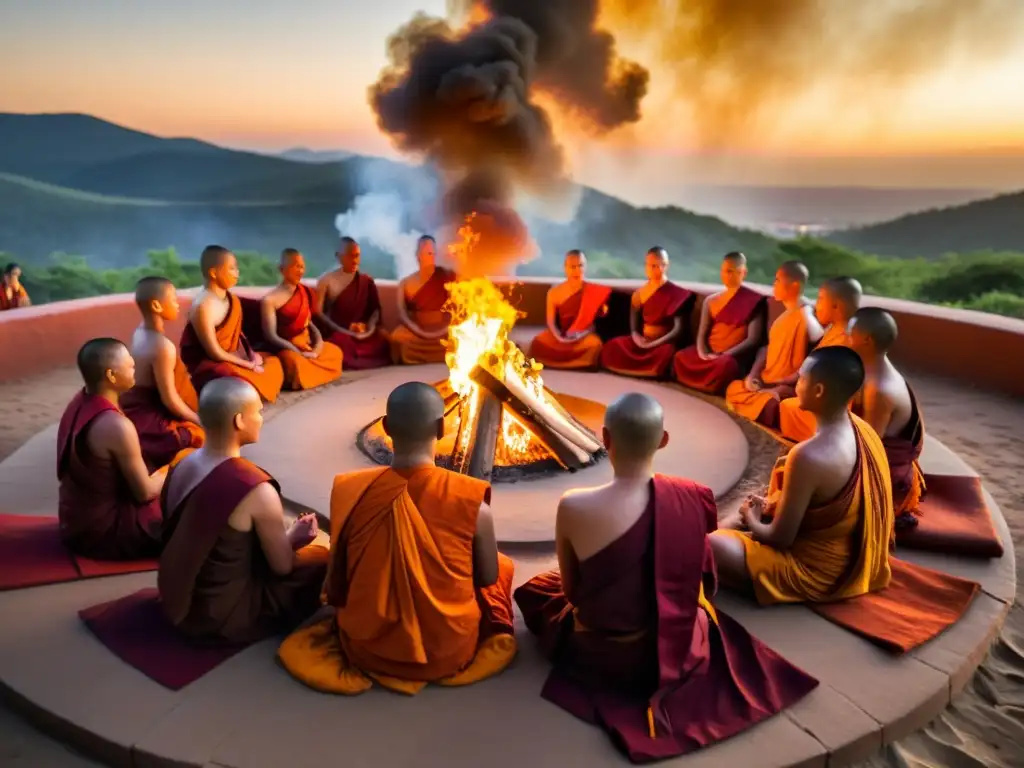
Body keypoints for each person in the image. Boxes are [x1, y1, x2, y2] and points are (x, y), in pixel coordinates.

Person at [514, 392, 818, 762]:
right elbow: (700, 574)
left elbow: (572, 592)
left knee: (538, 590)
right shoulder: (690, 496)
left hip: (603, 651)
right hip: (679, 643)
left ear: (605, 439)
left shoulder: (574, 505)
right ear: (663, 440)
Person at [278, 382, 516, 695]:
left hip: (366, 649)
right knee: (501, 566)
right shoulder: (471, 502)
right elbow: (486, 577)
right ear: (442, 427)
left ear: (387, 427)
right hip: (448, 653)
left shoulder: (350, 491)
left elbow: (342, 570)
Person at [710, 346, 894, 604]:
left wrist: (751, 518)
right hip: (850, 551)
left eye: (802, 379)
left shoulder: (808, 456)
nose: (796, 383)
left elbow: (779, 538)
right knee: (730, 523)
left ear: (818, 391)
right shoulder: (863, 430)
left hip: (816, 571)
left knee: (713, 544)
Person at [158, 378, 328, 644]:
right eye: (258, 411)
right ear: (238, 421)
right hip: (219, 614)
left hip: (175, 596)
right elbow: (282, 567)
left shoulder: (182, 464)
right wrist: (294, 537)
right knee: (322, 559)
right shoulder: (255, 489)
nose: (261, 417)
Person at [57, 338, 172, 559]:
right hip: (105, 534)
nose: (134, 370)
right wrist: (173, 468)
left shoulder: (79, 402)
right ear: (111, 375)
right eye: (130, 366)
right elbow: (145, 493)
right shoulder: (116, 425)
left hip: (74, 521)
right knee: (199, 516)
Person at [847, 307, 925, 529]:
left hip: (885, 476)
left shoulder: (879, 389)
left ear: (866, 340)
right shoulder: (875, 371)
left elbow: (867, 447)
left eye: (850, 331)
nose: (846, 335)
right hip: (874, 456)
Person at [179, 245, 284, 402]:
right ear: (213, 273)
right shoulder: (203, 306)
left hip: (233, 358)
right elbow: (214, 352)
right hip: (212, 365)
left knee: (273, 363)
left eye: (236, 268)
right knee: (229, 375)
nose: (237, 273)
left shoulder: (231, 299)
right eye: (232, 269)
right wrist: (247, 365)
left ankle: (250, 389)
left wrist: (251, 355)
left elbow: (238, 334)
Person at [724, 261, 823, 428]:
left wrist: (806, 310)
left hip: (788, 385)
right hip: (767, 378)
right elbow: (767, 348)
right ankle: (766, 401)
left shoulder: (805, 314)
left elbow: (818, 336)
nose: (774, 285)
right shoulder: (783, 318)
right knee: (735, 388)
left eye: (778, 280)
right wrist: (753, 375)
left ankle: (770, 405)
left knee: (771, 402)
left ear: (795, 285)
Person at [122, 277, 205, 471]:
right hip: (148, 415)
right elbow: (170, 400)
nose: (177, 304)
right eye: (173, 298)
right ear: (157, 305)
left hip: (131, 407)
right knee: (200, 436)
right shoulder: (162, 347)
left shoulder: (139, 332)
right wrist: (199, 420)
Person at [778, 277, 863, 441]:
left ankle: (818, 440)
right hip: (816, 393)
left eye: (821, 299)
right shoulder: (835, 330)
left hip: (829, 407)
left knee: (785, 406)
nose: (817, 305)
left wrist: (793, 389)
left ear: (836, 305)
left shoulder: (846, 340)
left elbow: (827, 388)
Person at [672, 252, 766, 393]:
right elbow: (702, 334)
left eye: (731, 271)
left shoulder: (754, 301)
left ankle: (709, 384)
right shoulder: (711, 301)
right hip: (710, 353)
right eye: (724, 271)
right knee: (680, 357)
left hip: (731, 356)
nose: (726, 275)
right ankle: (705, 381)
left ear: (743, 272)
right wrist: (703, 353)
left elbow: (753, 339)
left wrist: (726, 354)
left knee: (726, 366)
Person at [600, 247, 695, 378]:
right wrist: (638, 339)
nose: (653, 269)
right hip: (643, 340)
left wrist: (655, 343)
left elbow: (678, 329)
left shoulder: (676, 294)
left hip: (662, 342)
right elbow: (633, 328)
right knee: (613, 346)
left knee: (667, 352)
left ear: (666, 265)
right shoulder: (639, 294)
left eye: (657, 265)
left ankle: (652, 369)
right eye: (649, 265)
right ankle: (642, 367)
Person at [260, 248, 343, 390]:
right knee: (293, 363)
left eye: (302, 266)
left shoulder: (304, 292)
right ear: (282, 269)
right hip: (287, 348)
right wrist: (297, 351)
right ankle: (308, 374)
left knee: (335, 352)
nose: (300, 270)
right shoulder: (270, 300)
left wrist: (317, 347)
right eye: (296, 266)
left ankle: (311, 370)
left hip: (307, 344)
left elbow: (309, 324)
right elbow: (271, 336)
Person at [315, 237, 391, 370]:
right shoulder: (326, 280)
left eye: (357, 256)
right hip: (339, 331)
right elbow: (318, 312)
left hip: (363, 331)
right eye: (350, 256)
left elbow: (375, 311)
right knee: (337, 344)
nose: (355, 260)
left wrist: (369, 328)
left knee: (384, 341)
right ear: (338, 256)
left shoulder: (365, 281)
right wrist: (343, 330)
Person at [528, 250, 611, 370]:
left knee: (595, 344)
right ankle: (575, 362)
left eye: (580, 265)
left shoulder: (593, 291)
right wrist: (559, 338)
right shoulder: (554, 292)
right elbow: (550, 322)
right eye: (572, 267)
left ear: (585, 267)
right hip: (562, 334)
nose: (577, 270)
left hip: (582, 336)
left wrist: (580, 335)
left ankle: (576, 362)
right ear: (565, 268)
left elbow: (593, 325)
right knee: (538, 342)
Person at [390, 236, 456, 365]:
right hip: (417, 329)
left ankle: (435, 354)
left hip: (443, 329)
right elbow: (402, 313)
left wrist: (444, 328)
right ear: (417, 255)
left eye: (433, 254)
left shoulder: (446, 276)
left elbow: (456, 306)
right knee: (397, 337)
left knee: (461, 338)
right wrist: (417, 329)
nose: (431, 257)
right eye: (427, 253)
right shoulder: (406, 282)